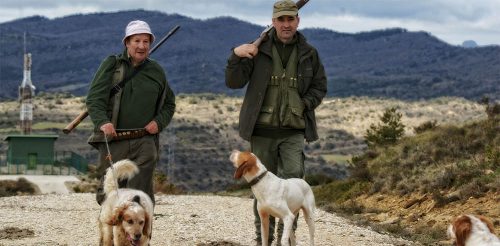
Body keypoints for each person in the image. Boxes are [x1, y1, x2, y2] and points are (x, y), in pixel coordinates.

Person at [225, 0, 327, 244]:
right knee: (261, 191)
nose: (286, 24)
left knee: (294, 180)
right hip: (261, 130)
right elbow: (234, 81)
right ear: (273, 22)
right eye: (281, 20)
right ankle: (264, 241)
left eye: (290, 19)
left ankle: (287, 239)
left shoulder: (309, 52)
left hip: (293, 130)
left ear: (297, 21)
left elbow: (320, 86)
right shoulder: (257, 49)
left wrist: (303, 105)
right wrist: (236, 55)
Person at [86, 20, 175, 205]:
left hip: (145, 141)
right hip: (115, 140)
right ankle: (112, 231)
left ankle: (137, 233)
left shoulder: (156, 71)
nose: (142, 46)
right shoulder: (112, 65)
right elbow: (94, 99)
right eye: (137, 41)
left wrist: (159, 122)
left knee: (140, 195)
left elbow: (169, 104)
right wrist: (103, 122)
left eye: (146, 41)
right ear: (127, 42)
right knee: (110, 194)